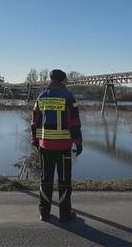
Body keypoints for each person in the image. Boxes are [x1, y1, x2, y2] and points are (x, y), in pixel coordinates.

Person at [31, 69, 83, 222]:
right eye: (65, 80)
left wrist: (35, 140)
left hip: (45, 146)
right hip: (64, 147)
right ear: (62, 81)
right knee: (64, 181)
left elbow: (34, 121)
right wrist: (78, 143)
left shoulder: (41, 96)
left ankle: (44, 213)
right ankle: (65, 215)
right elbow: (75, 122)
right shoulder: (68, 97)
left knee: (45, 180)